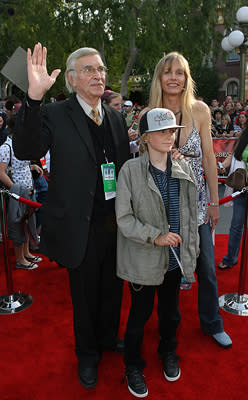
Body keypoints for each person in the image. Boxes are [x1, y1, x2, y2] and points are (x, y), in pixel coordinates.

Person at [13, 43, 130, 389]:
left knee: (113, 288)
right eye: (90, 70)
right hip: (79, 226)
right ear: (73, 78)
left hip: (115, 222)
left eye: (102, 70)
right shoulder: (55, 113)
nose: (99, 75)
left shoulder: (115, 117)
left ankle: (109, 338)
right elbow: (27, 149)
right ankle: (88, 355)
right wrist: (34, 99)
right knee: (85, 296)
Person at [148, 51, 232, 348]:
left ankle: (212, 323)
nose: (174, 77)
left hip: (196, 205)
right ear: (160, 77)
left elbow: (209, 158)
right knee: (165, 271)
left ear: (186, 79)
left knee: (207, 268)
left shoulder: (200, 110)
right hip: (164, 205)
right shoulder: (151, 112)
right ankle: (167, 326)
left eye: (179, 72)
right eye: (168, 71)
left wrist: (213, 202)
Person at [116, 108, 199, 397]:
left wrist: (191, 252)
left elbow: (190, 215)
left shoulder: (183, 167)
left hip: (174, 261)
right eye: (162, 131)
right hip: (143, 258)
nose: (169, 135)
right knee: (139, 316)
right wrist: (156, 237)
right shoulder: (129, 170)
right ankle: (133, 365)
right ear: (146, 137)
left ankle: (168, 352)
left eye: (172, 130)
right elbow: (124, 218)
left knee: (170, 314)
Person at [217, 97, 248, 283]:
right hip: (243, 185)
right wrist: (223, 165)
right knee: (236, 225)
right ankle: (230, 258)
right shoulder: (246, 133)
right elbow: (234, 154)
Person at [0, 114, 42, 269]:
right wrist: (15, 190)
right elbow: (1, 172)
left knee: (28, 223)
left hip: (28, 191)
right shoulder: (6, 148)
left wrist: (32, 167)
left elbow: (18, 166)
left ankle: (26, 253)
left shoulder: (21, 145)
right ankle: (20, 259)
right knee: (18, 226)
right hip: (18, 194)